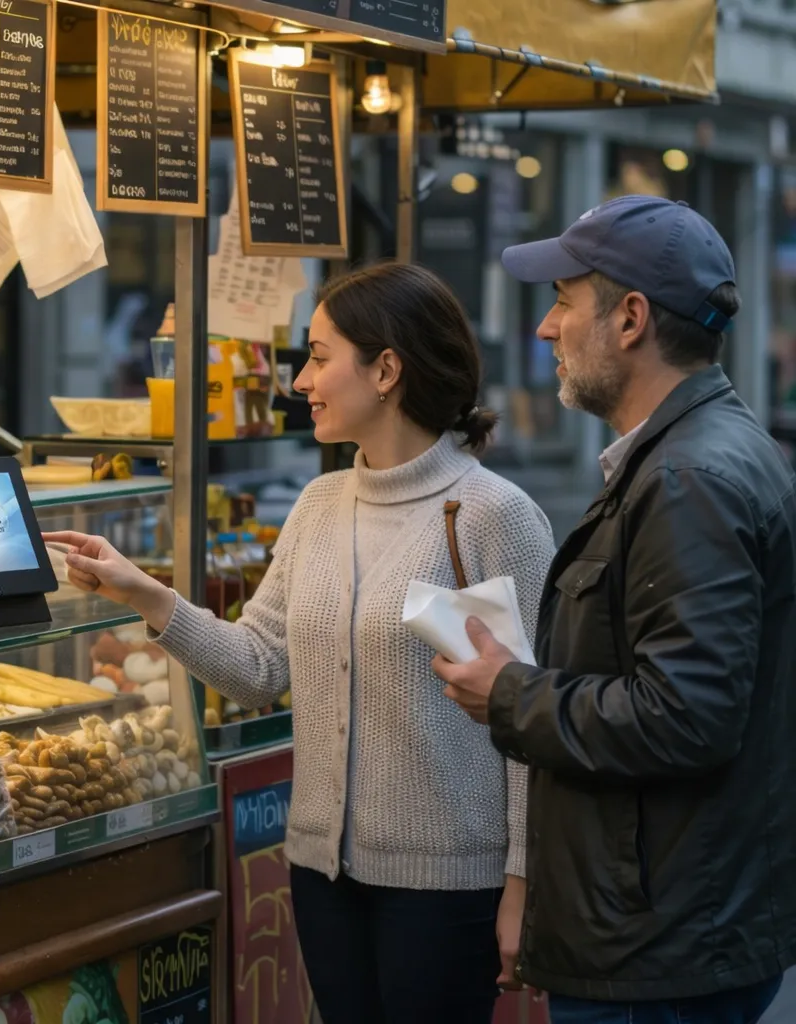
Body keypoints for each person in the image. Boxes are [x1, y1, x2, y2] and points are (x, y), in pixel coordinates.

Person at [47, 263, 555, 1023]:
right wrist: (143, 594)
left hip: (448, 887)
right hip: (321, 874)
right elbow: (257, 667)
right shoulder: (319, 505)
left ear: (387, 369)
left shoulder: (491, 515)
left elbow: (532, 729)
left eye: (319, 357)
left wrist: (524, 882)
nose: (299, 381)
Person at [435, 196, 796, 1023]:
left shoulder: (688, 479)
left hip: (659, 950)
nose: (545, 328)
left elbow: (687, 715)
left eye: (563, 301)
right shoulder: (695, 456)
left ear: (630, 318)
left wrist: (511, 693)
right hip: (672, 930)